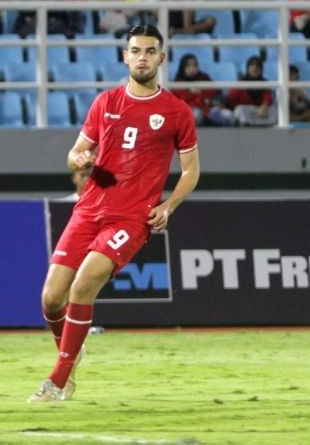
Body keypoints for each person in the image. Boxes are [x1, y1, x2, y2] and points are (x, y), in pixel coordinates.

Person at [29, 24, 200, 402]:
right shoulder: (106, 102)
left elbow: (191, 170)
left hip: (131, 218)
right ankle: (71, 351)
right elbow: (75, 152)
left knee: (84, 284)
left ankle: (58, 380)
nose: (142, 57)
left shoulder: (175, 111)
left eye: (150, 51)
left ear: (161, 57)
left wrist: (169, 206)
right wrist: (80, 158)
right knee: (51, 298)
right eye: (135, 50)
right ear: (125, 57)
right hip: (89, 209)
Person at [172, 53, 234, 126]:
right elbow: (181, 102)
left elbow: (215, 91)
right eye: (188, 66)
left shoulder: (204, 78)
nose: (192, 68)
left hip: (209, 110)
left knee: (228, 115)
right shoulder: (177, 84)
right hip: (192, 110)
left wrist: (199, 92)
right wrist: (199, 96)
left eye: (195, 65)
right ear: (182, 67)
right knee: (195, 115)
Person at [227, 56, 276, 126]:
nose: (255, 68)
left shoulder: (265, 83)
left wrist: (264, 106)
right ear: (247, 68)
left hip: (260, 111)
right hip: (246, 112)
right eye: (252, 66)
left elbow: (268, 98)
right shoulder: (240, 84)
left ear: (261, 69)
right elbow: (230, 102)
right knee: (240, 110)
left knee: (273, 109)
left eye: (258, 66)